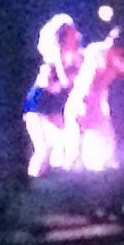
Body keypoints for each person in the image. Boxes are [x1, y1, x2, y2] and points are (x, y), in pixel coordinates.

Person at [64, 30, 124, 172]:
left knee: (94, 148)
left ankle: (82, 175)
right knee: (93, 151)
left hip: (84, 102)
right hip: (86, 104)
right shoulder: (109, 55)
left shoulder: (97, 50)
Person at [23, 13, 81, 176]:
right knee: (43, 148)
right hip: (39, 106)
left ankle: (58, 182)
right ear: (63, 37)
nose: (75, 35)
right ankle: (34, 183)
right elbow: (63, 84)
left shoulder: (73, 57)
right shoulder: (53, 60)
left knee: (64, 146)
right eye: (70, 33)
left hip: (54, 105)